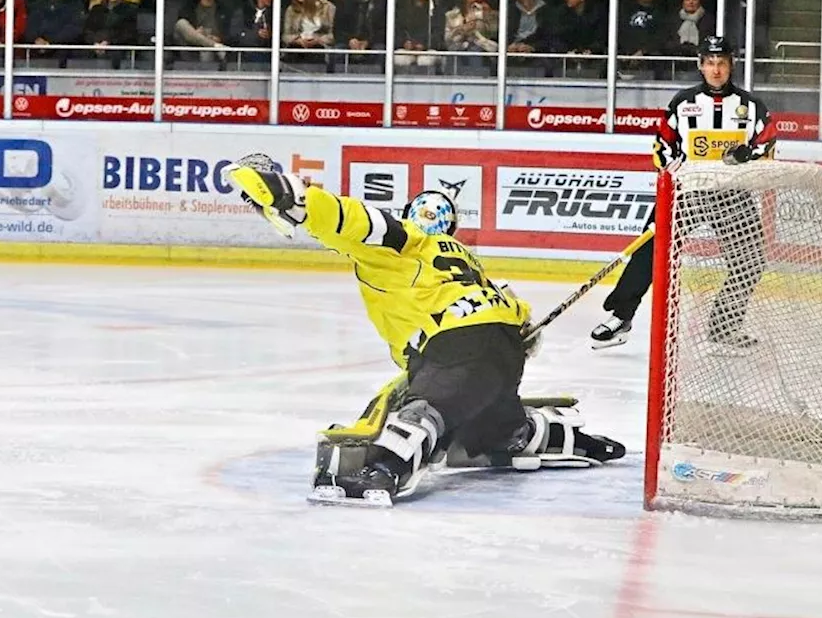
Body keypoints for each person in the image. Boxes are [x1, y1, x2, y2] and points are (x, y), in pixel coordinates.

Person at [225, 156, 624, 505]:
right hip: (502, 346)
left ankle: (386, 468)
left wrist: (298, 201)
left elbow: (354, 221)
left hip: (457, 344)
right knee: (492, 421)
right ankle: (544, 435)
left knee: (427, 407)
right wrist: (522, 323)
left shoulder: (403, 240)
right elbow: (510, 307)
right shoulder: (460, 253)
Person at [590, 36, 775, 349]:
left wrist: (748, 156)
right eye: (710, 63)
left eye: (722, 63)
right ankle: (621, 316)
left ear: (731, 65)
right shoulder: (682, 102)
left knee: (751, 260)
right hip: (687, 192)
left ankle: (724, 327)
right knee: (648, 251)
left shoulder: (752, 107)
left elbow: (768, 149)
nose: (716, 70)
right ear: (701, 65)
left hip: (732, 196)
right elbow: (662, 146)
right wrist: (672, 175)